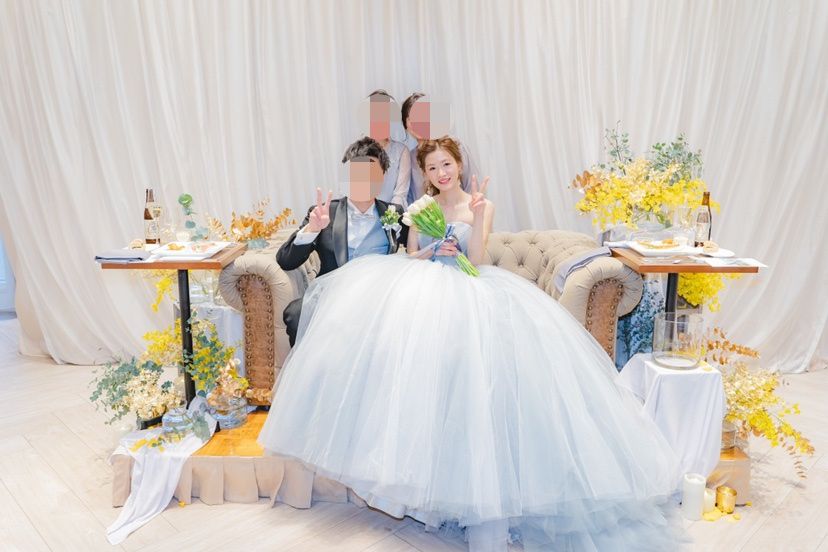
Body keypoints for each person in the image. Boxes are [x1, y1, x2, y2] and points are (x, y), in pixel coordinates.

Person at [260, 137, 684, 550]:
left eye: (446, 164)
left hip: (469, 285)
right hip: (419, 284)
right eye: (432, 168)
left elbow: (478, 260)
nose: (440, 172)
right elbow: (409, 254)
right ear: (424, 175)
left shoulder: (471, 205)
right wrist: (430, 251)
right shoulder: (415, 209)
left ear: (459, 165)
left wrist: (475, 221)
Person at [276, 136, 407, 346]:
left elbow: (418, 248)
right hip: (332, 294)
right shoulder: (325, 212)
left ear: (383, 176)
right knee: (296, 314)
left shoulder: (394, 214)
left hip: (379, 296)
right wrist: (312, 230)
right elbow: (285, 260)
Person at [401, 92, 480, 205]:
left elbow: (472, 184)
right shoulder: (410, 158)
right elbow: (410, 198)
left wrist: (470, 209)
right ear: (405, 125)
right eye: (410, 119)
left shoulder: (455, 145)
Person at [365, 90, 411, 205]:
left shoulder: (401, 151)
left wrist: (389, 214)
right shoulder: (356, 151)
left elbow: (400, 194)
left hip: (391, 212)